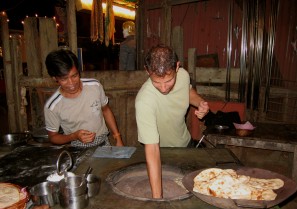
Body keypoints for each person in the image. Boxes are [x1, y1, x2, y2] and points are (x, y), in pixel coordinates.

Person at [135, 45, 209, 198]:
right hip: (162, 153)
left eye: (168, 81)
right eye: (156, 82)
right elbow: (152, 149)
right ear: (147, 71)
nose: (163, 88)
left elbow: (187, 91)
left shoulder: (183, 75)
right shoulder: (144, 101)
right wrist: (157, 200)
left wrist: (201, 103)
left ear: (177, 66)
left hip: (186, 145)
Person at [44, 49, 124, 147]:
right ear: (55, 78)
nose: (71, 83)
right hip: (77, 149)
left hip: (104, 144)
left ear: (78, 71)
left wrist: (118, 137)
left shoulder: (95, 86)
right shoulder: (53, 106)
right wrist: (74, 136)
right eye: (64, 79)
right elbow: (53, 137)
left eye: (74, 76)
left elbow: (106, 110)